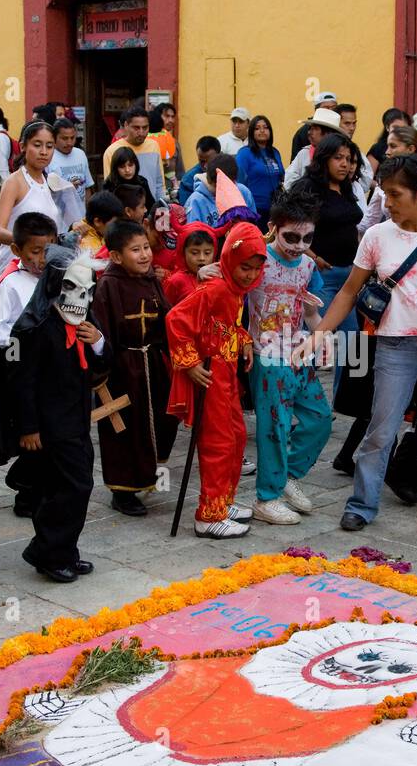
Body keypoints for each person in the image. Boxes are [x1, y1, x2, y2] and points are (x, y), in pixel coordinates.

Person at [293, 154, 417, 539]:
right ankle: (361, 504)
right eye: (383, 193)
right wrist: (318, 334)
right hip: (394, 347)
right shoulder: (377, 236)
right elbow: (348, 291)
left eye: (395, 194)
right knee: (381, 428)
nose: (387, 203)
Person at [166, 224, 269, 539]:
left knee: (236, 436)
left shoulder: (234, 289)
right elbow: (176, 320)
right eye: (244, 267)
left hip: (225, 374)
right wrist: (190, 363)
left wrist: (245, 341)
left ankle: (222, 502)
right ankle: (208, 515)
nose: (250, 275)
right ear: (230, 259)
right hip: (210, 375)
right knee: (218, 443)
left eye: (255, 269)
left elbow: (224, 325)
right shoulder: (217, 288)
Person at [9, 245, 104, 583]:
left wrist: (98, 342)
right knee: (72, 486)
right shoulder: (36, 329)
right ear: (54, 286)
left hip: (76, 420)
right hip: (51, 426)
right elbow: (22, 383)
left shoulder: (85, 323)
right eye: (72, 289)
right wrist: (29, 427)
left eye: (88, 292)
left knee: (74, 486)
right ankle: (47, 551)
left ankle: (64, 550)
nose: (82, 298)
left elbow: (101, 368)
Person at [246, 189, 332, 524]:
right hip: (266, 356)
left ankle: (288, 476)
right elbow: (227, 276)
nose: (298, 244)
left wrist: (321, 336)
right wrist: (206, 271)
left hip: (298, 353)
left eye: (307, 237)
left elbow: (309, 311)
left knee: (320, 419)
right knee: (274, 427)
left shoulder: (309, 265)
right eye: (291, 236)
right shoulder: (257, 259)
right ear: (273, 228)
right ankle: (266, 497)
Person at [89, 218, 179, 517]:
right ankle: (122, 490)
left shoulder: (150, 279)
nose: (144, 255)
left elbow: (167, 318)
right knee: (127, 429)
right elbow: (102, 331)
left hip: (153, 364)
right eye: (135, 250)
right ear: (115, 256)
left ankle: (151, 478)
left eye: (145, 248)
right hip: (123, 369)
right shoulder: (108, 286)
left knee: (162, 422)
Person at [0, 212, 57, 518]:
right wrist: (20, 344)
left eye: (47, 251)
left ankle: (33, 482)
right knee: (32, 432)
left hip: (51, 371)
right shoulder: (11, 284)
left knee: (50, 432)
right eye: (34, 252)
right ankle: (27, 492)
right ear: (17, 251)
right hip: (23, 369)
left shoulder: (55, 278)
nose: (41, 259)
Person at [290, 133, 364, 390]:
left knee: (355, 343)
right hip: (322, 276)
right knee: (314, 339)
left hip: (351, 276)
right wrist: (314, 257)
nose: (345, 164)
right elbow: (289, 228)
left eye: (349, 159)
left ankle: (348, 399)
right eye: (339, 158)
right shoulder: (307, 187)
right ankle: (305, 396)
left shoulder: (346, 187)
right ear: (324, 159)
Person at [0, 120, 66, 279]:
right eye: (37, 145)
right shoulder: (14, 182)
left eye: (49, 146)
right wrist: (30, 242)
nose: (44, 152)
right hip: (14, 271)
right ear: (23, 146)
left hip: (41, 270)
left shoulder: (48, 181)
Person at [359, 124, 417, 235]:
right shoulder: (384, 178)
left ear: (410, 149)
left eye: (393, 146)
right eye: (387, 146)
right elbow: (369, 221)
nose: (387, 152)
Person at [101, 106, 165, 202]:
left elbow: (159, 182)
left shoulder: (154, 146)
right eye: (136, 128)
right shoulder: (112, 151)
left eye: (145, 127)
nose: (141, 132)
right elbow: (110, 187)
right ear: (126, 125)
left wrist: (161, 206)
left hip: (150, 208)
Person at [235, 115, 285, 226]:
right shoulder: (244, 153)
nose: (262, 131)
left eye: (265, 127)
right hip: (254, 209)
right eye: (257, 128)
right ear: (251, 132)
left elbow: (281, 176)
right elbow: (238, 182)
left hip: (276, 209)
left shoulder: (275, 152)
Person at [185, 154, 256, 227]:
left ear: (234, 181)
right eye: (219, 186)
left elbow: (252, 226)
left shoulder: (243, 192)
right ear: (209, 181)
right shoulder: (195, 202)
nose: (223, 191)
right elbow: (192, 235)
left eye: (228, 186)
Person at [283, 108, 346, 188]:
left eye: (315, 129)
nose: (309, 132)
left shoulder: (343, 154)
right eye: (310, 128)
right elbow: (289, 179)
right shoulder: (304, 153)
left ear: (328, 133)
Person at [48, 116, 94, 217]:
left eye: (72, 138)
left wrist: (90, 214)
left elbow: (87, 188)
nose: (69, 142)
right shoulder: (48, 157)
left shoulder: (80, 154)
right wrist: (66, 187)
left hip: (81, 220)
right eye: (64, 138)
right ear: (54, 138)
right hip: (59, 221)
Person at [103, 144, 158, 214]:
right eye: (122, 167)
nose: (127, 170)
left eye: (130, 165)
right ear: (116, 168)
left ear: (136, 165)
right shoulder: (109, 185)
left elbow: (151, 208)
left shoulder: (142, 182)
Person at [71, 191, 123, 257]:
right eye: (115, 223)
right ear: (97, 222)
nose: (117, 227)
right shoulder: (89, 248)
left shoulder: (99, 231)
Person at [290, 92, 339, 159]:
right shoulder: (303, 133)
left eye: (333, 108)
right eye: (326, 108)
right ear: (316, 110)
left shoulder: (340, 128)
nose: (330, 111)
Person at [178, 135, 222, 205]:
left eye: (210, 161)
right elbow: (186, 209)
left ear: (220, 155)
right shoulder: (188, 180)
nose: (205, 166)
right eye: (202, 161)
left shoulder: (228, 173)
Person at [366, 108, 410, 174]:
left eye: (403, 128)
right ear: (387, 128)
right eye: (396, 128)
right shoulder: (378, 148)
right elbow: (367, 178)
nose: (399, 132)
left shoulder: (412, 146)